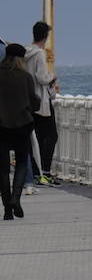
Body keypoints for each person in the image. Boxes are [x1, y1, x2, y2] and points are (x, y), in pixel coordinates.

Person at [0, 43, 42, 220]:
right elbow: (35, 102)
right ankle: (16, 199)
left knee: (2, 168)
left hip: (0, 127)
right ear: (20, 59)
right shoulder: (25, 77)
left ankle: (7, 209)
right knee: (22, 163)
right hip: (22, 126)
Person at [24, 21, 61, 186]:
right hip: (42, 102)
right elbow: (41, 76)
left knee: (37, 139)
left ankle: (37, 173)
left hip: (30, 101)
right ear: (45, 36)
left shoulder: (25, 52)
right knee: (52, 136)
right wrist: (51, 78)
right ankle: (45, 171)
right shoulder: (39, 53)